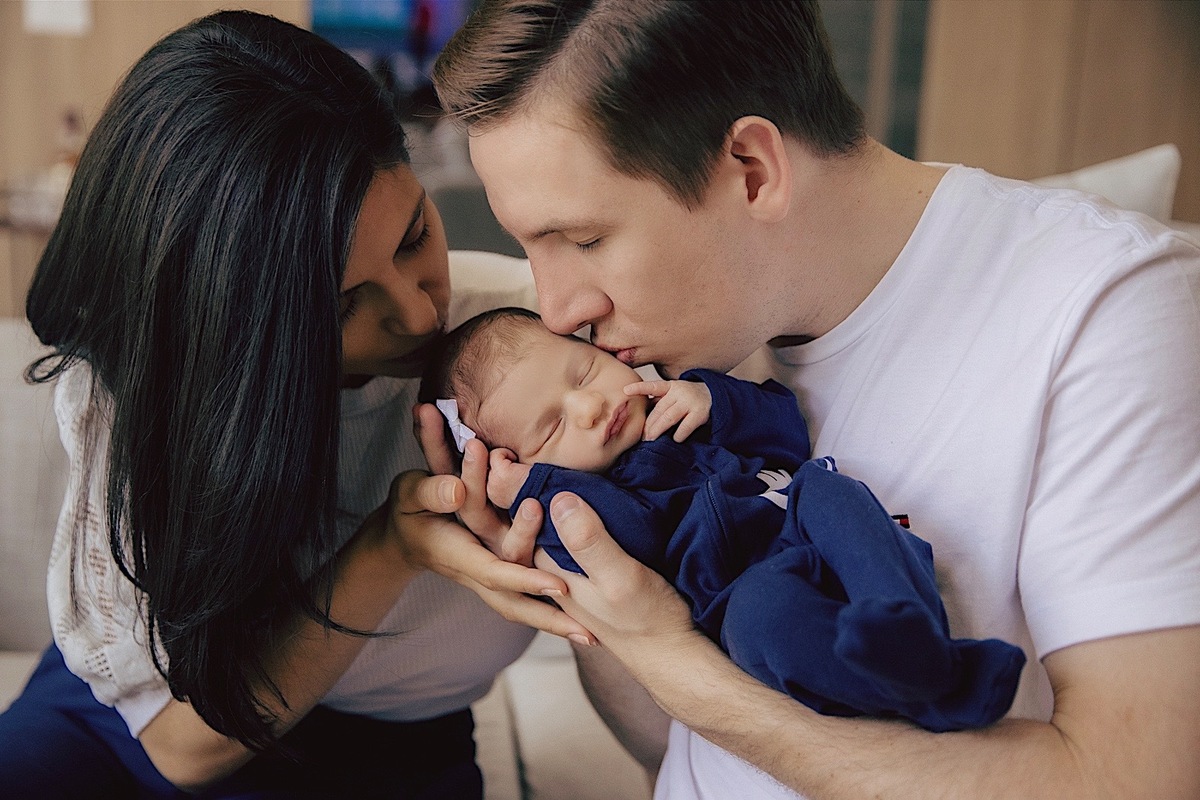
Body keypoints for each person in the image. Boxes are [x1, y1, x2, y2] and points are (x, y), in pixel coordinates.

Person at [422, 0, 1200, 797]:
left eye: (584, 241)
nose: (556, 312)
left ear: (753, 171)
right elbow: (681, 752)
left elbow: (1133, 780)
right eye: (531, 247)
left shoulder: (1107, 315)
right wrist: (587, 583)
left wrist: (681, 667)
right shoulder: (683, 353)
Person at [0, 10, 590, 798]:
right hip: (153, 723)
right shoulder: (143, 386)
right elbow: (178, 750)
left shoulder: (538, 340)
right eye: (343, 306)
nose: (419, 314)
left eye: (415, 234)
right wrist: (390, 549)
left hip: (392, 753)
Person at [423, 306, 1026, 732]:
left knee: (831, 490)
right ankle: (925, 689)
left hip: (795, 514)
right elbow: (637, 540)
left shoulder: (686, 403)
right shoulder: (579, 506)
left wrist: (716, 400)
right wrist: (537, 488)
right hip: (738, 587)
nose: (590, 407)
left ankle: (903, 618)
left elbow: (788, 431)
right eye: (551, 427)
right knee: (763, 620)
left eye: (582, 373)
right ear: (513, 468)